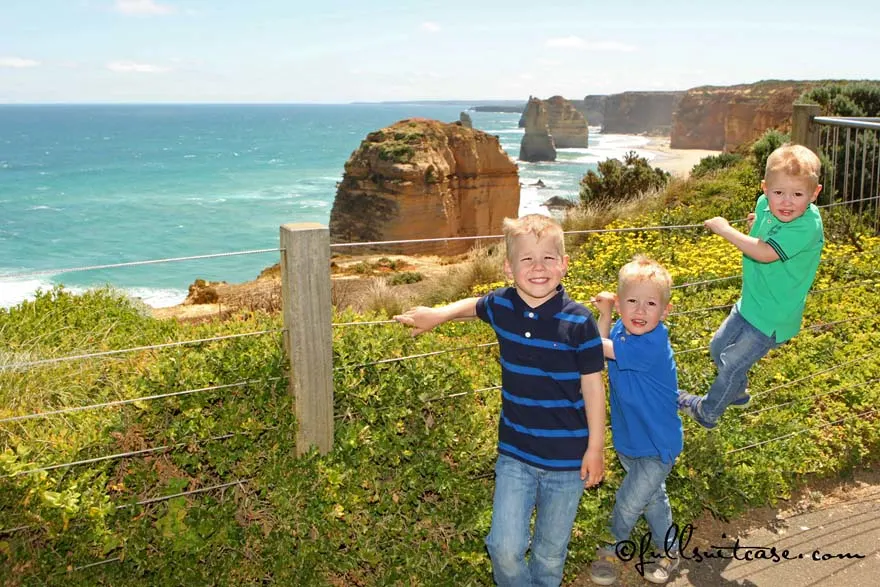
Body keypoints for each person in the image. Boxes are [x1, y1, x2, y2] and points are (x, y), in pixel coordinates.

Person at [394, 213, 607, 587]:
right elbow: (474, 305)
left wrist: (596, 449)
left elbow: (593, 387)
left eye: (548, 258)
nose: (538, 268)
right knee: (504, 548)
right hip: (515, 455)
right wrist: (438, 315)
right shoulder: (503, 306)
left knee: (549, 554)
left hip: (567, 461)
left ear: (564, 265)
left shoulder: (580, 322)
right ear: (509, 267)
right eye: (527, 259)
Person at [677, 143, 825, 429]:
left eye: (798, 194)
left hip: (773, 317)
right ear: (765, 187)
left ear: (814, 194)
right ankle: (737, 390)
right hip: (750, 303)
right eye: (778, 193)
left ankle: (708, 411)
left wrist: (725, 229)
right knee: (717, 347)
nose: (786, 202)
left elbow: (764, 253)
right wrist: (758, 223)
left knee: (731, 363)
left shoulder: (807, 226)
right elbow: (766, 227)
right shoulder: (764, 206)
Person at [588, 256, 683, 585]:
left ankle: (612, 548)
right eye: (632, 301)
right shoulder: (620, 330)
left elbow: (594, 346)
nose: (640, 311)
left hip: (657, 445)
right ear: (620, 301)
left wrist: (566, 328)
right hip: (630, 441)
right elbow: (600, 352)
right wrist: (605, 314)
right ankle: (668, 549)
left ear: (665, 311)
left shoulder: (653, 344)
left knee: (629, 502)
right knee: (654, 498)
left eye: (650, 303)